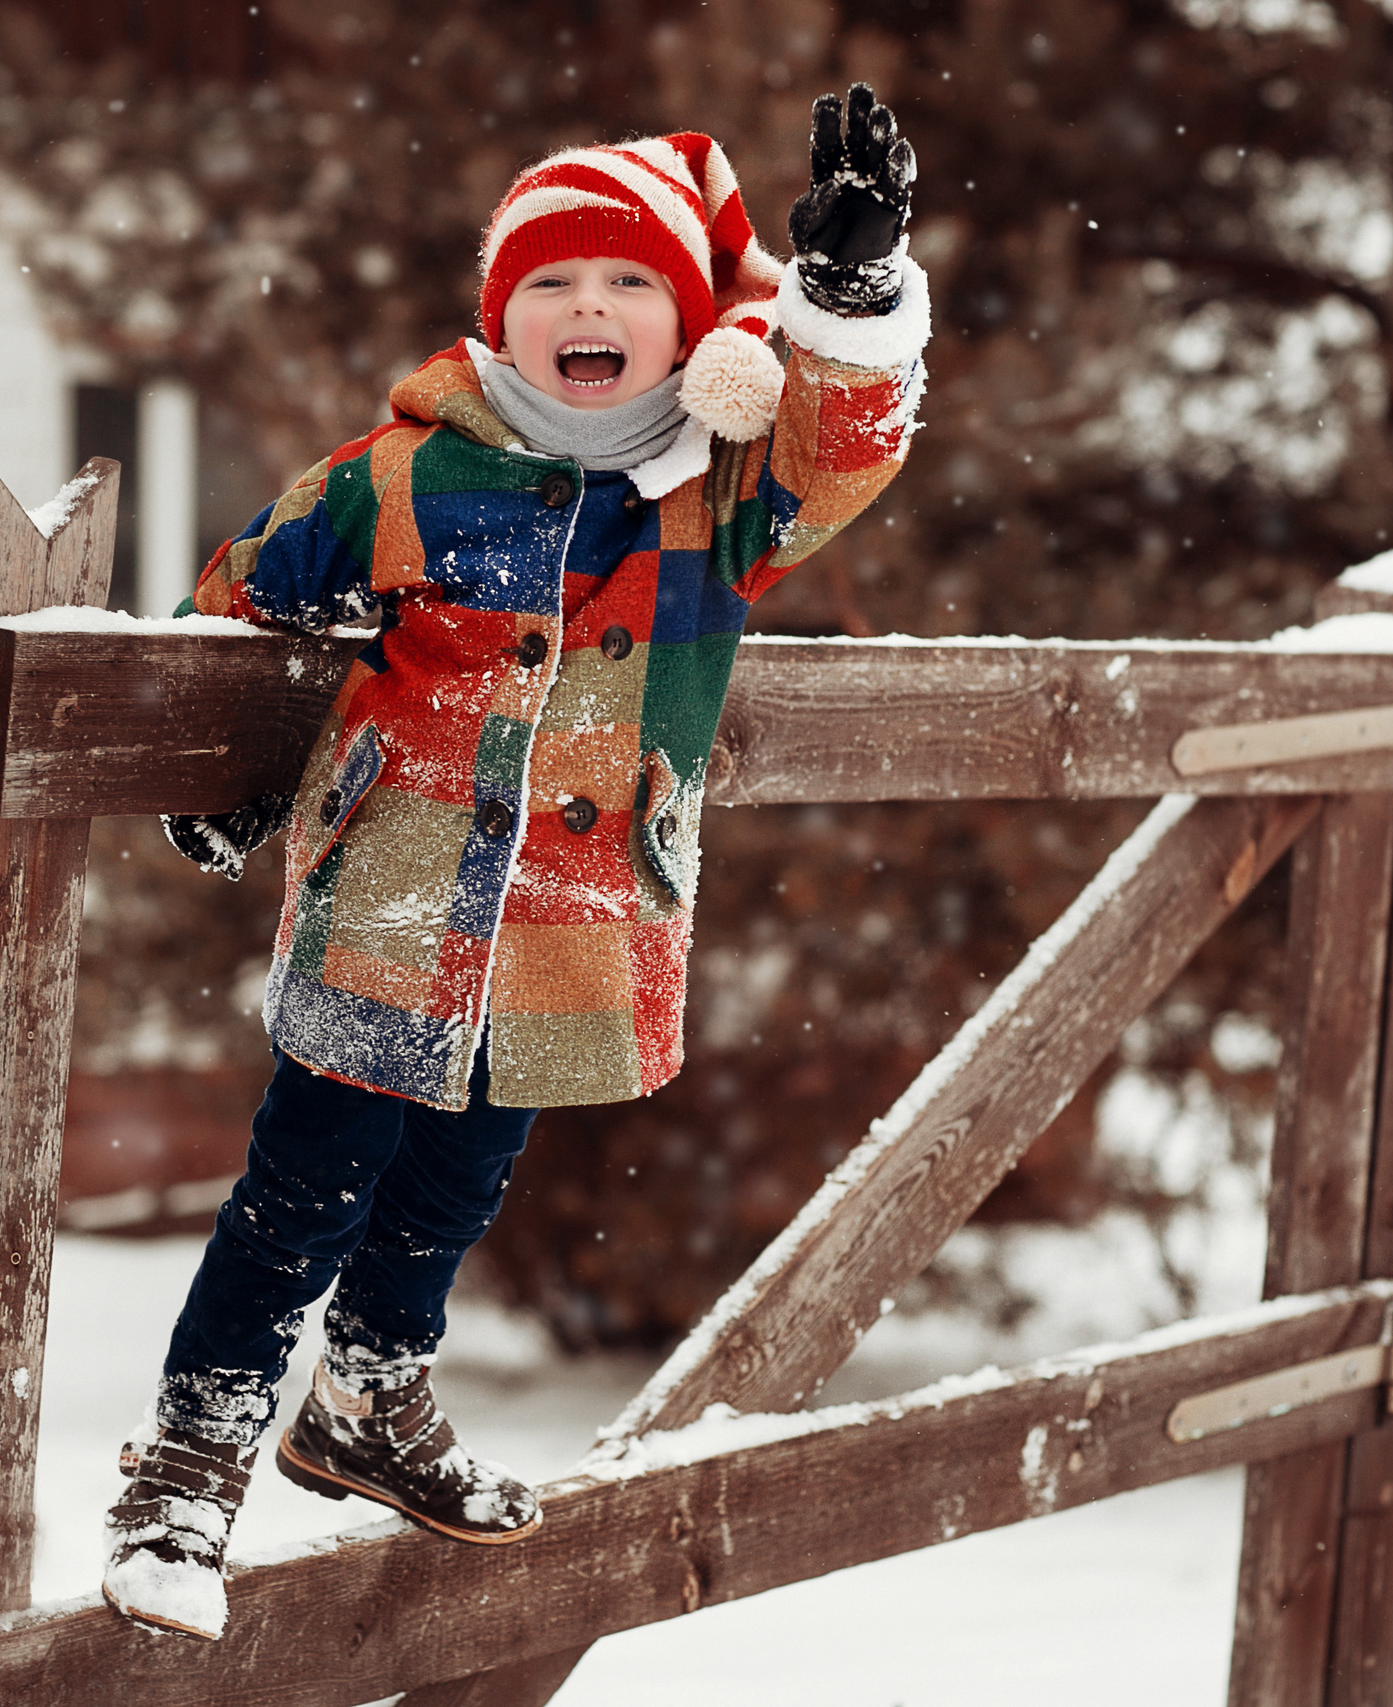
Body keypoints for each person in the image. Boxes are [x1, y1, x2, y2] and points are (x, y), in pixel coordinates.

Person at [105, 85, 930, 1640]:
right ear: (501, 315)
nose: (586, 306)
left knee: (460, 1178)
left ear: (694, 326)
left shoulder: (723, 496)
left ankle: (370, 1398)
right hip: (393, 893)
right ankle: (185, 1472)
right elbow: (250, 587)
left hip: (581, 911)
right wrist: (225, 767)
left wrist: (848, 296)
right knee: (303, 1187)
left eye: (625, 281)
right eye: (549, 281)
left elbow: (847, 452)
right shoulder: (404, 472)